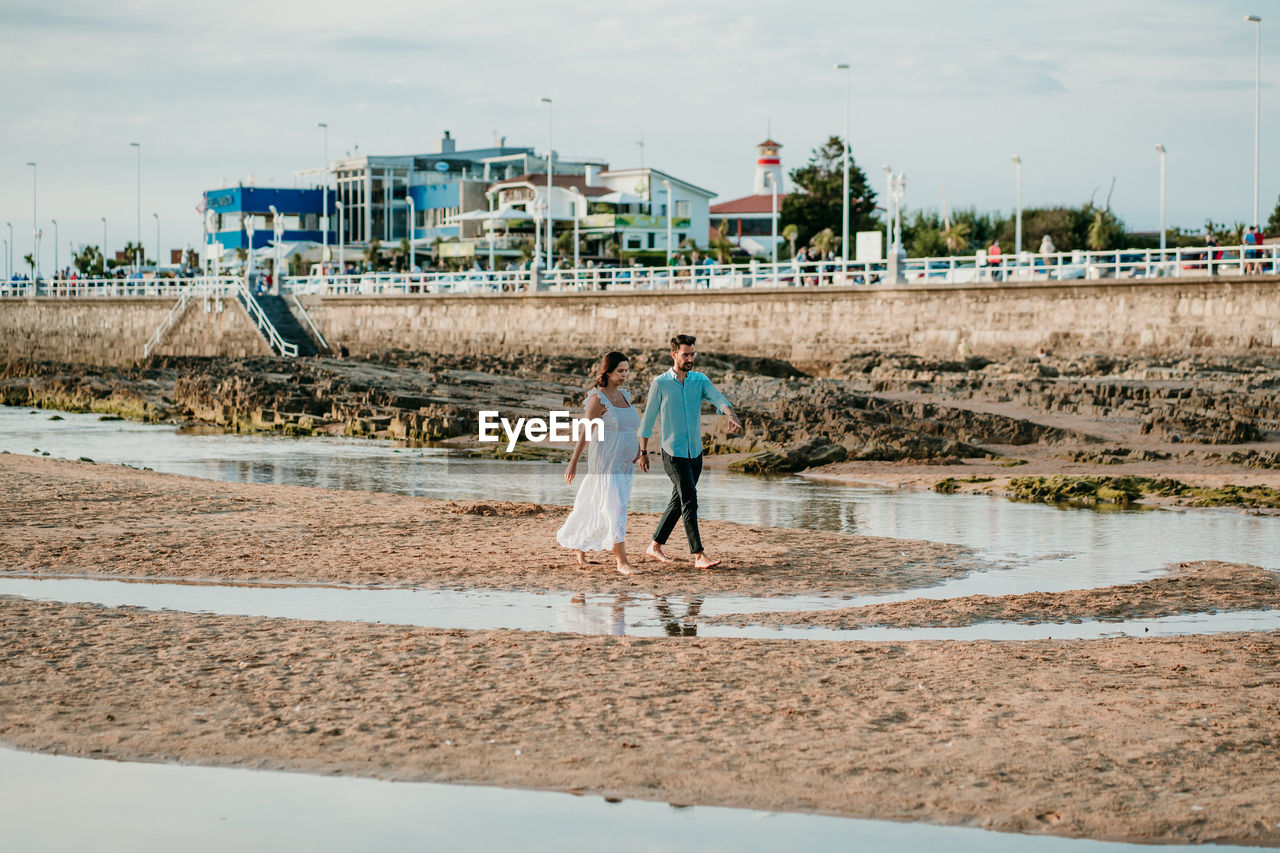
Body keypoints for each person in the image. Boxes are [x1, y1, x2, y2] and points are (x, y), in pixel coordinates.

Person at [638, 334, 743, 569]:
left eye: (692, 354)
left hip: (695, 452)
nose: (690, 358)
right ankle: (698, 555)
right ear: (673, 355)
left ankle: (654, 545)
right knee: (690, 500)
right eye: (685, 354)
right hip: (673, 453)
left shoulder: (699, 380)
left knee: (679, 500)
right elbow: (647, 420)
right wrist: (642, 451)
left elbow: (717, 397)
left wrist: (730, 413)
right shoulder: (660, 383)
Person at [558, 351, 643, 575]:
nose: (625, 375)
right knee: (615, 506)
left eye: (626, 370)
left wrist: (639, 451)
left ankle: (579, 546)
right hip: (605, 460)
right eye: (620, 371)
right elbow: (587, 431)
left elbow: (629, 428)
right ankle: (621, 561)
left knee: (597, 502)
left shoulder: (626, 396)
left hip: (625, 462)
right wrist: (573, 462)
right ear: (607, 371)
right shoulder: (598, 398)